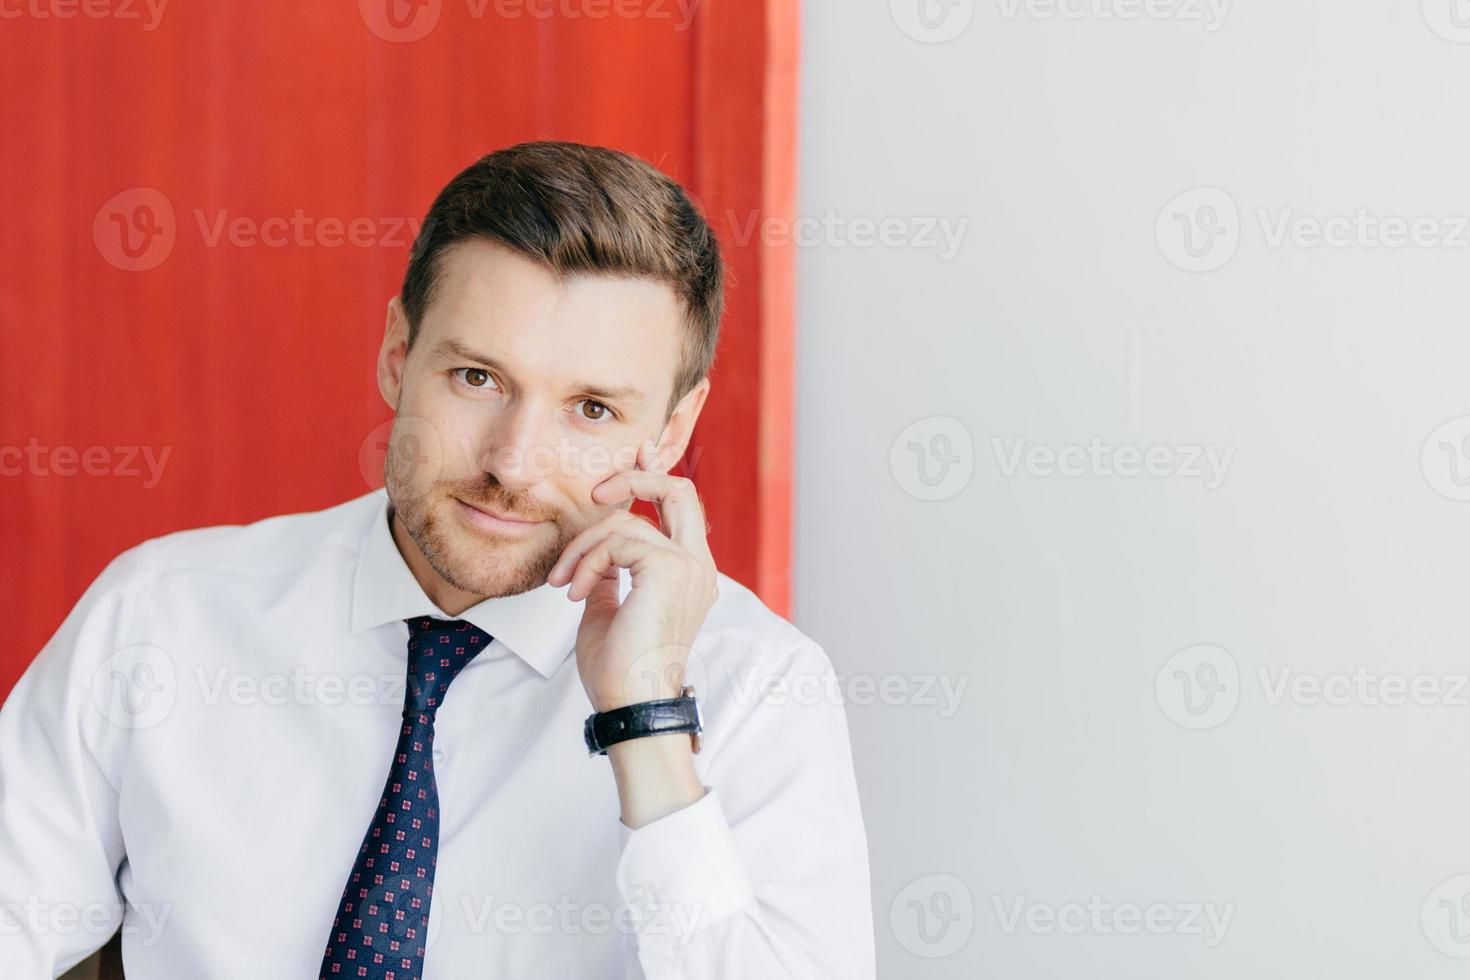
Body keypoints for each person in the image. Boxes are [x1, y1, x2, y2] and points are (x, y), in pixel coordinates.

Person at [0, 141, 875, 979]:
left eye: (593, 410)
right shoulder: (162, 616)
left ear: (672, 431)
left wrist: (647, 720)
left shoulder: (759, 687)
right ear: (397, 354)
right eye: (477, 379)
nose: (512, 462)